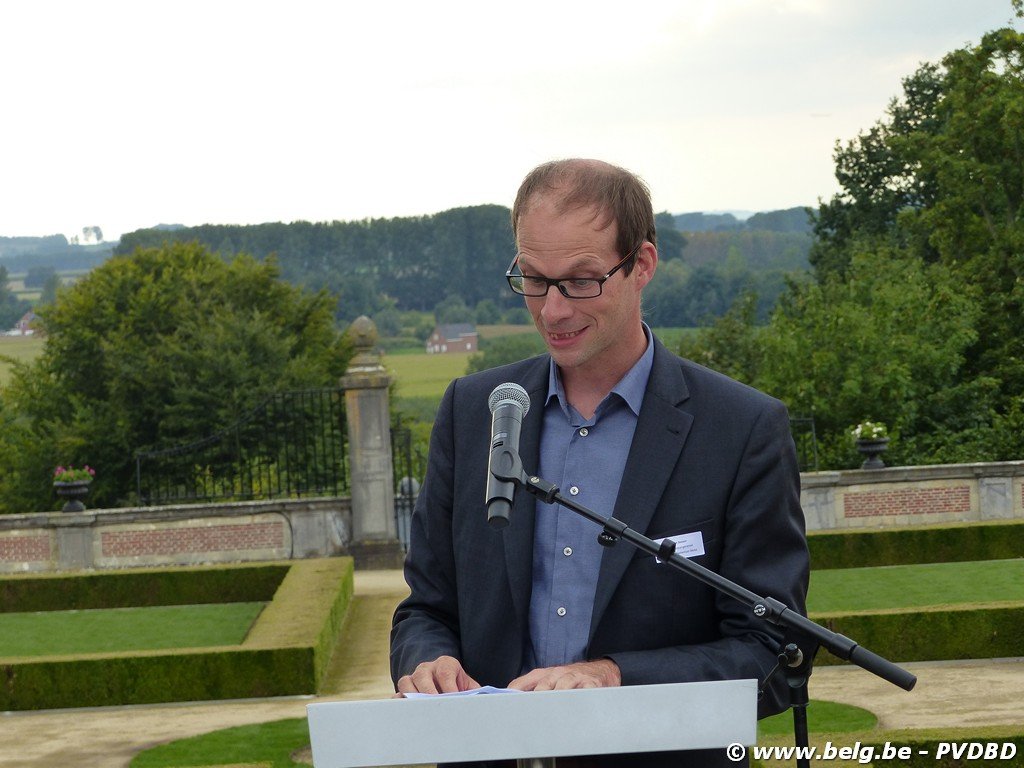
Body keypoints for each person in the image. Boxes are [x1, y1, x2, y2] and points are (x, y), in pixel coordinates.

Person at [390, 159, 809, 768]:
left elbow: (774, 649)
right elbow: (425, 608)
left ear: (642, 265)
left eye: (581, 280)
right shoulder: (471, 412)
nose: (552, 311)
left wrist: (615, 676)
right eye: (533, 279)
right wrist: (426, 662)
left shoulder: (741, 429)